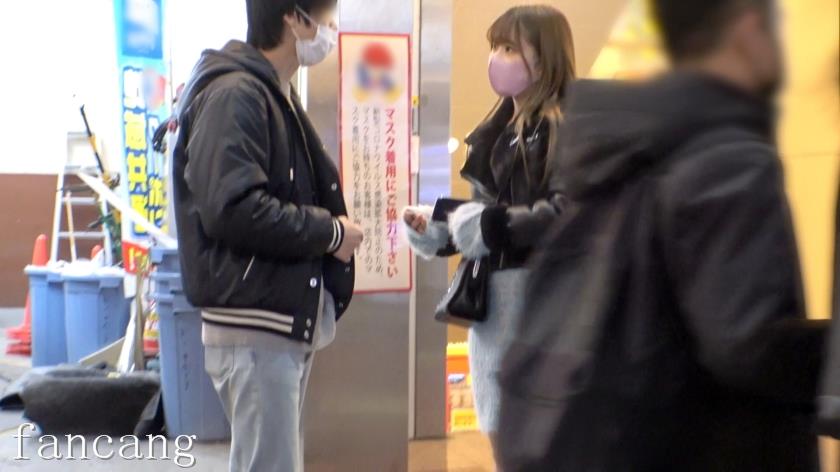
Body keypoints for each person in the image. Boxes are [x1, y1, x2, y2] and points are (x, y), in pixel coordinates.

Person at [497, 0, 829, 470]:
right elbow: (746, 347)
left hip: (614, 440)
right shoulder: (727, 156)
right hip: (706, 447)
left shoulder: (614, 145)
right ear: (747, 28)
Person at [171, 1, 363, 470]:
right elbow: (233, 209)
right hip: (255, 321)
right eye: (328, 16)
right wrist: (330, 232)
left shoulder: (272, 93)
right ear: (294, 17)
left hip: (272, 318)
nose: (332, 29)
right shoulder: (237, 94)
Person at [402, 5, 575, 464]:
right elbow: (483, 217)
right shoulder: (497, 132)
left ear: (545, 56)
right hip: (494, 313)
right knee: (504, 445)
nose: (497, 57)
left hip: (542, 309)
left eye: (510, 47)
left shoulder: (565, 129)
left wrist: (489, 226)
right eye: (495, 46)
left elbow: (565, 213)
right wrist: (438, 227)